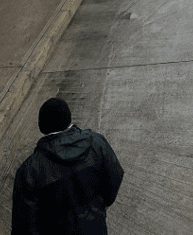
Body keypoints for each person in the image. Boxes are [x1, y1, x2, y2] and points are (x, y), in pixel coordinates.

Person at [12, 97, 124, 235]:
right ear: (68, 119)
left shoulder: (29, 170)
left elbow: (24, 225)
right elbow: (115, 175)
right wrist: (100, 206)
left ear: (42, 126)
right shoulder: (96, 143)